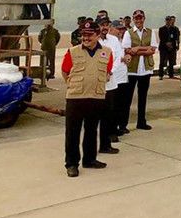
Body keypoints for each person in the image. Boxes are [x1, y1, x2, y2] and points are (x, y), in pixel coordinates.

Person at [61, 18, 113, 177]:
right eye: (84, 34)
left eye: (90, 35)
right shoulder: (73, 52)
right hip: (76, 98)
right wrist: (75, 85)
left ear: (98, 35)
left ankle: (89, 159)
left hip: (96, 97)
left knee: (91, 130)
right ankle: (71, 164)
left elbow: (108, 72)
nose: (85, 38)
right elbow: (65, 71)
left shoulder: (107, 52)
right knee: (72, 132)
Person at [118, 9, 157, 133]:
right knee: (126, 98)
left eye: (140, 18)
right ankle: (123, 125)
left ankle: (141, 121)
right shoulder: (129, 33)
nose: (139, 20)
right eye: (136, 18)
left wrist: (137, 49)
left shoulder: (151, 32)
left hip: (145, 69)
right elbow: (127, 50)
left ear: (144, 19)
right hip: (132, 70)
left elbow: (152, 50)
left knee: (143, 97)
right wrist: (143, 49)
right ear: (133, 19)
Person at [97, 19, 126, 155]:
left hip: (111, 81)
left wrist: (110, 71)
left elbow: (118, 57)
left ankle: (107, 140)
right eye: (102, 25)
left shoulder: (113, 40)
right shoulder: (94, 40)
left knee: (110, 111)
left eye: (106, 25)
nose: (104, 28)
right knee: (98, 113)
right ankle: (101, 142)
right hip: (97, 82)